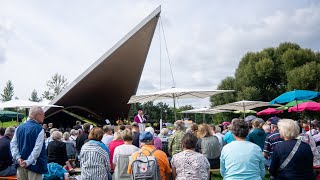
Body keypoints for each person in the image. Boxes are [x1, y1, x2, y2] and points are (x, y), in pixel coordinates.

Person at [11, 106, 48, 180]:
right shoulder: (39, 129)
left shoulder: (19, 127)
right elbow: (37, 149)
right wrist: (28, 162)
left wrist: (18, 158)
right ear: (36, 115)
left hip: (20, 164)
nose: (44, 116)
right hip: (35, 165)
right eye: (42, 114)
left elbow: (13, 144)